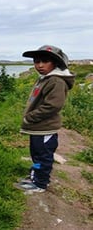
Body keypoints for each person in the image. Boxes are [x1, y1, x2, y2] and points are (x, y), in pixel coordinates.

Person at [15, 45, 75, 193]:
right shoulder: (45, 79)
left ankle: (40, 184)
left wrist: (30, 118)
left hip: (45, 127)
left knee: (43, 156)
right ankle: (34, 177)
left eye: (45, 61)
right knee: (36, 154)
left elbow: (53, 106)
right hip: (38, 128)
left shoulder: (56, 81)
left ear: (55, 63)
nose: (39, 65)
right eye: (36, 61)